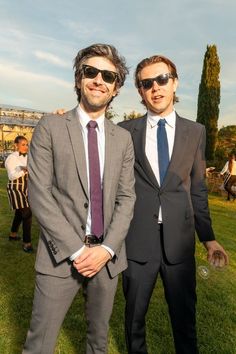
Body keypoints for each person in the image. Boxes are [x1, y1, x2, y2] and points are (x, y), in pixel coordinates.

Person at [22, 43, 136, 354]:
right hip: (60, 257)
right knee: (39, 345)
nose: (99, 80)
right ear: (78, 79)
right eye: (91, 71)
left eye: (109, 76)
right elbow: (39, 193)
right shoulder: (50, 127)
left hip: (107, 261)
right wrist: (76, 251)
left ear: (115, 89)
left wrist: (107, 249)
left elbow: (127, 198)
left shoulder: (123, 139)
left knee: (98, 344)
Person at [119, 54, 229, 354]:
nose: (156, 87)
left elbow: (197, 188)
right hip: (138, 240)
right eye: (147, 83)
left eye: (162, 79)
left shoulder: (196, 132)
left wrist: (208, 238)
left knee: (184, 320)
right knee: (134, 321)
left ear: (174, 82)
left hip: (179, 245)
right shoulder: (125, 131)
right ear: (140, 91)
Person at [5, 136, 33, 253]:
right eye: (23, 144)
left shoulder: (29, 157)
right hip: (16, 189)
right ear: (16, 145)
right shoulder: (11, 158)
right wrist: (24, 170)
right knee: (27, 214)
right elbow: (11, 176)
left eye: (27, 144)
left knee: (19, 213)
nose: (26, 147)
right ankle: (27, 243)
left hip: (26, 188)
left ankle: (13, 234)